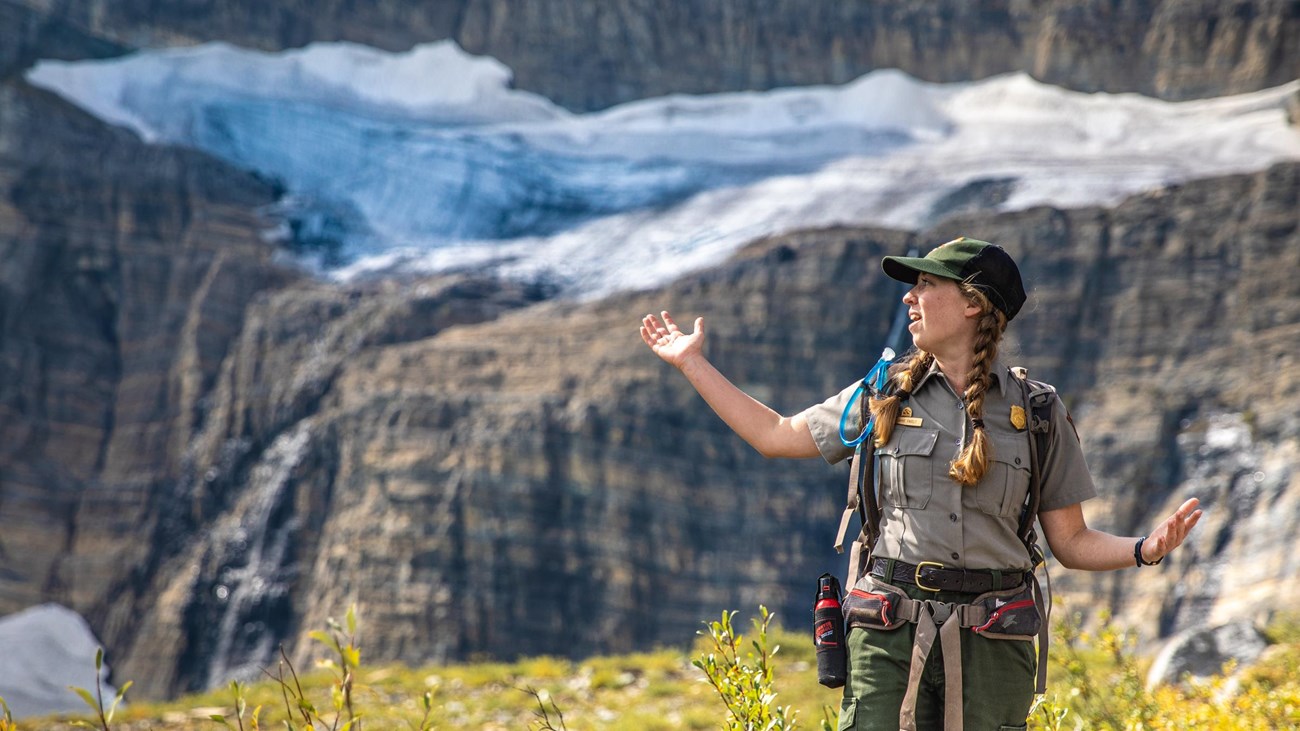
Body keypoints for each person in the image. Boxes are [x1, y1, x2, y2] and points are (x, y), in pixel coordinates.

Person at [639, 237, 1202, 731]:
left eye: (927, 285)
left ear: (974, 304)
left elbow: (1071, 542)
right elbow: (774, 434)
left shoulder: (1038, 412)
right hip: (888, 635)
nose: (909, 297)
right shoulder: (883, 391)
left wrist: (1143, 550)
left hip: (994, 644)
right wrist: (693, 364)